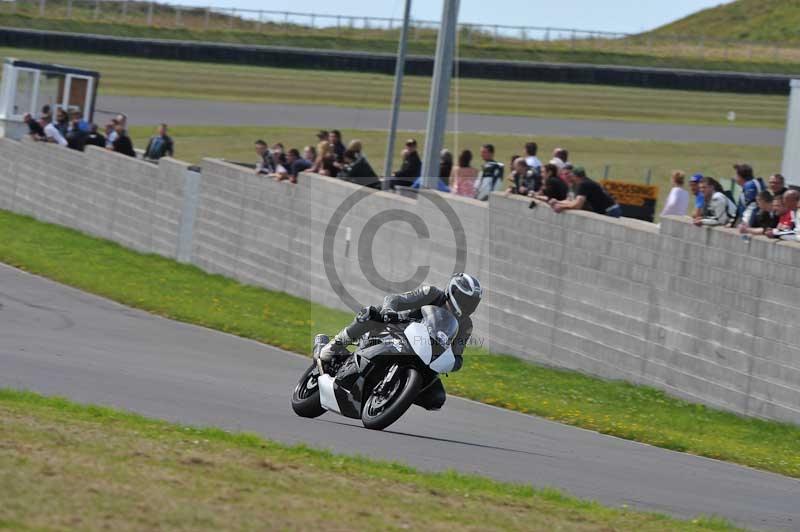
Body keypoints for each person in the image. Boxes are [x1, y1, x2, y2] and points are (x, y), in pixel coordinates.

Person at [317, 273, 483, 411]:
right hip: (397, 330)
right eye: (465, 299)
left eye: (473, 302)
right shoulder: (432, 294)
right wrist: (389, 311)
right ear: (453, 292)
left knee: (436, 398)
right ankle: (333, 347)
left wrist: (452, 363)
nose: (468, 305)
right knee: (371, 313)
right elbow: (395, 299)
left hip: (426, 355)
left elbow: (457, 355)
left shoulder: (466, 324)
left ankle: (396, 393)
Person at [551, 166, 621, 217]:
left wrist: (561, 207)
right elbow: (573, 201)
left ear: (575, 176)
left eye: (571, 175)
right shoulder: (586, 182)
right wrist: (558, 202)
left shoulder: (583, 184)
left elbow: (577, 205)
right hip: (612, 209)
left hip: (610, 211)